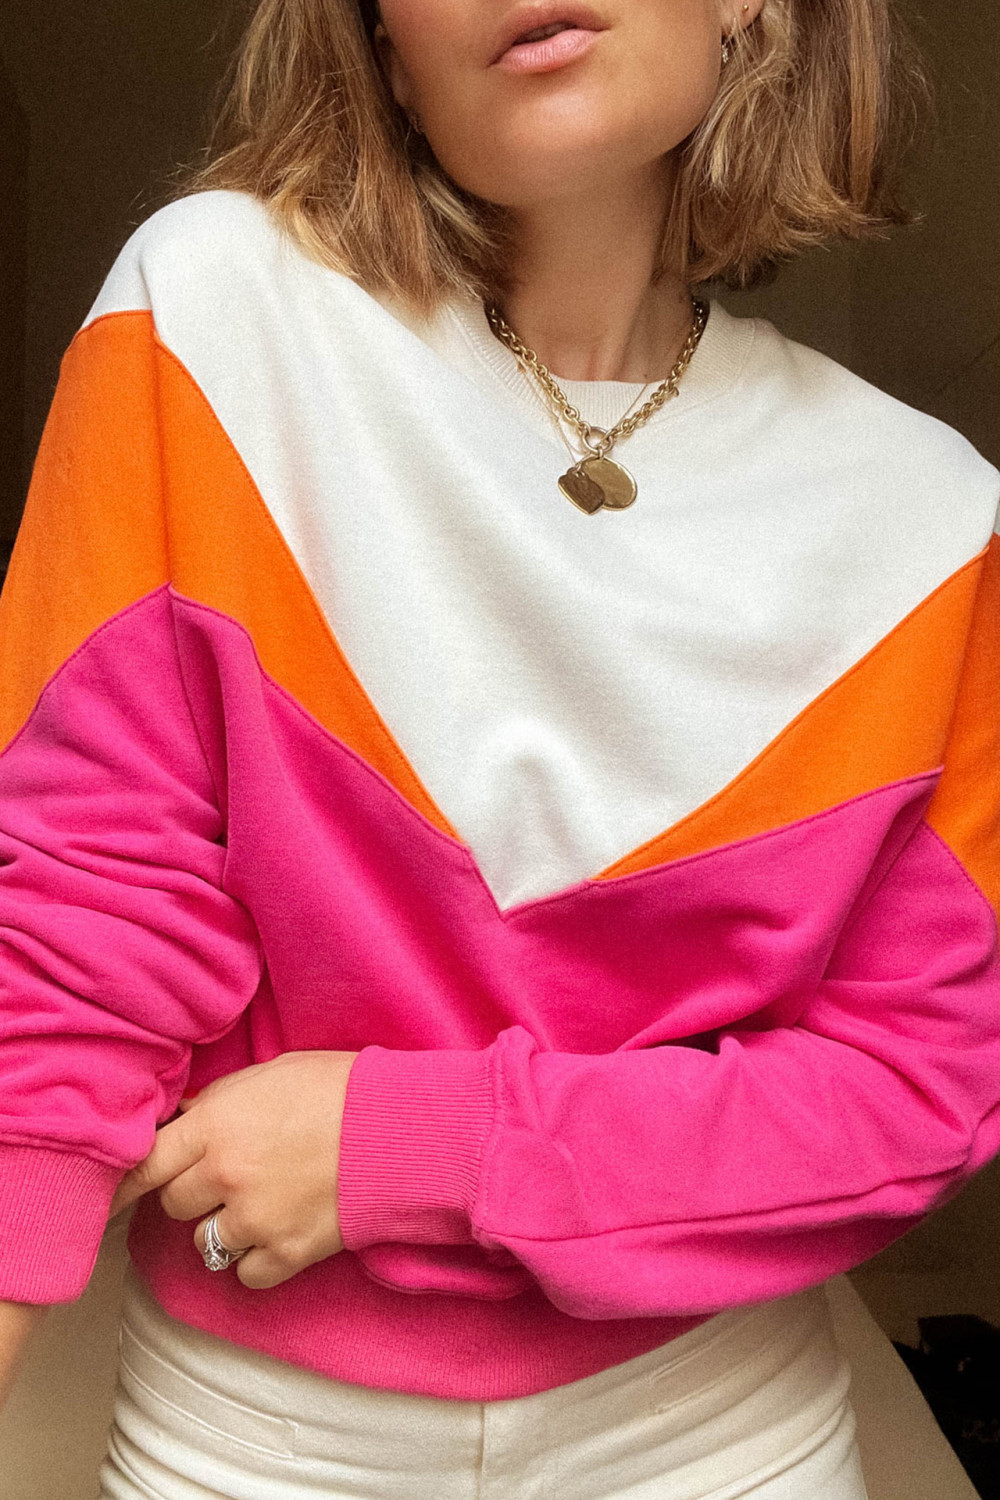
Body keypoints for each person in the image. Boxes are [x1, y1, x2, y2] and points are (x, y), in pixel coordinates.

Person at [1, 0, 998, 1495]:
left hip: (720, 1432)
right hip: (253, 1438)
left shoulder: (933, 523)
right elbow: (83, 914)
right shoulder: (208, 317)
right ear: (380, 44)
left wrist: (424, 1146)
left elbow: (917, 1093)